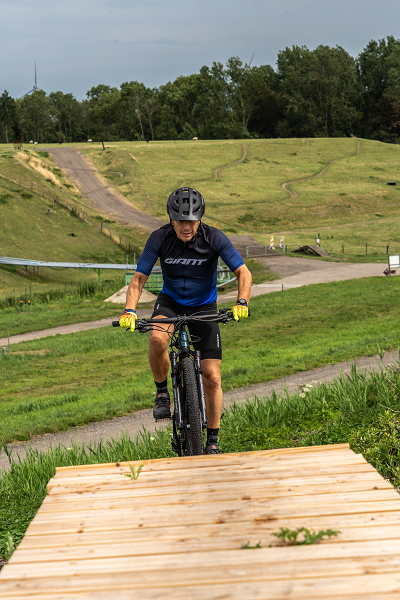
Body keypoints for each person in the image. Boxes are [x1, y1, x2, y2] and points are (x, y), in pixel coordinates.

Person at [120, 187, 252, 454]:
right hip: (170, 301)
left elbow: (243, 272)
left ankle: (212, 441)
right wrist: (130, 311)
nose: (186, 226)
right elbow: (138, 279)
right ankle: (162, 393)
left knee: (212, 377)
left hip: (204, 306)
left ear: (200, 218)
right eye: (180, 220)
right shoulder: (159, 238)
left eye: (191, 220)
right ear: (171, 219)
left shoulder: (214, 237)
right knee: (157, 337)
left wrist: (242, 302)